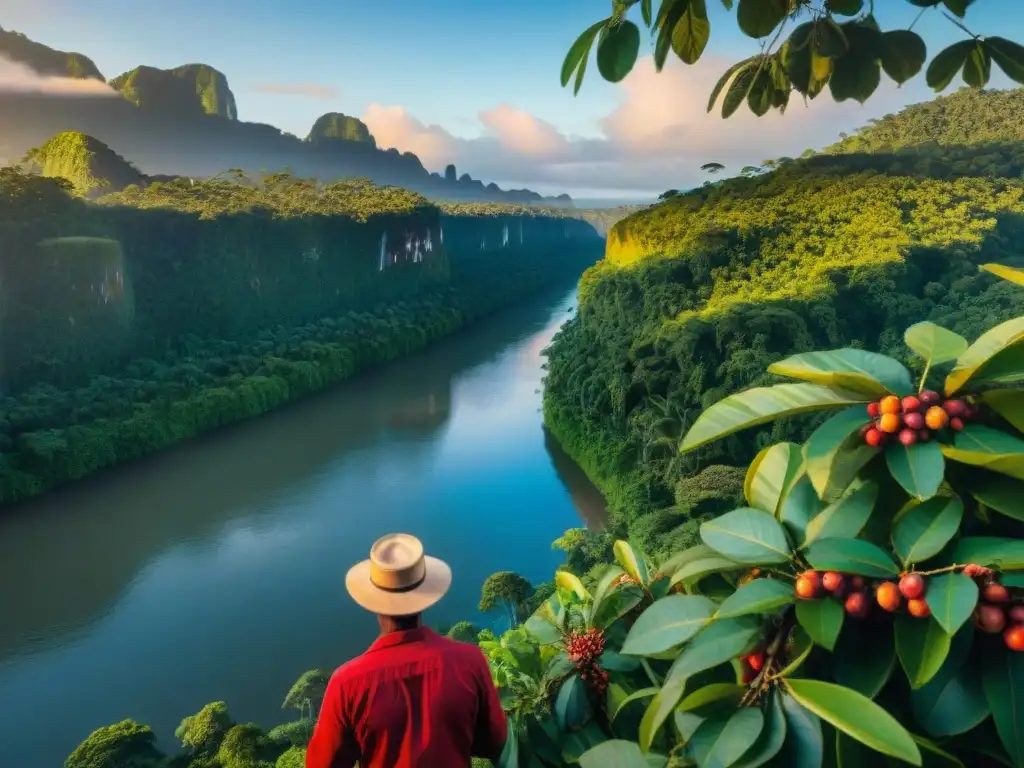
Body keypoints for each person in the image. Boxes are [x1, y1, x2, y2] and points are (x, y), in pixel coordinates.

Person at [306, 533, 508, 768]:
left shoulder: (348, 683)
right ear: (425, 595)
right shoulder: (470, 661)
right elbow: (494, 741)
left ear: (374, 602)